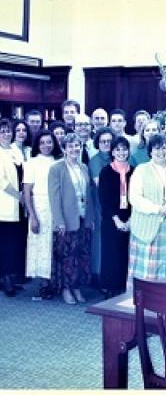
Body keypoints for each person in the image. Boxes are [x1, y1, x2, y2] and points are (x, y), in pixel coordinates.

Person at [126, 134, 166, 287]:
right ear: (150, 151)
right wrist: (159, 209)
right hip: (147, 229)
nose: (161, 152)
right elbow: (135, 198)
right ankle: (140, 305)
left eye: (164, 148)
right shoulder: (141, 170)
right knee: (146, 274)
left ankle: (164, 306)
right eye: (156, 148)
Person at [48, 133, 94, 304]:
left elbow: (88, 194)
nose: (75, 149)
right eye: (70, 146)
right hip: (66, 221)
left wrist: (90, 218)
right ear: (63, 149)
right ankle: (67, 289)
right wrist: (59, 221)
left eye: (77, 146)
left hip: (83, 218)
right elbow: (54, 197)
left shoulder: (83, 167)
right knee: (67, 257)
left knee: (82, 255)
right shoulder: (56, 169)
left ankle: (77, 288)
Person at [23, 130, 62, 298]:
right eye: (42, 142)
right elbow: (26, 191)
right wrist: (32, 216)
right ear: (37, 145)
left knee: (57, 245)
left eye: (49, 142)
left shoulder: (59, 161)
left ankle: (56, 282)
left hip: (57, 206)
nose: (46, 145)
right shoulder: (31, 163)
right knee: (41, 245)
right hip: (39, 206)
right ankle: (44, 284)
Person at [99, 137, 133, 297]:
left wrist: (130, 220)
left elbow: (137, 198)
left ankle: (121, 286)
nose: (121, 152)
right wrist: (117, 220)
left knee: (124, 253)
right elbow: (104, 200)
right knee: (110, 253)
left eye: (124, 149)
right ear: (112, 152)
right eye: (118, 149)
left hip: (130, 218)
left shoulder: (134, 171)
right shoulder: (106, 172)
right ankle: (109, 287)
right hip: (111, 219)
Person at [0, 118, 27, 296]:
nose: (6, 134)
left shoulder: (16, 150)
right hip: (5, 203)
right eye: (2, 131)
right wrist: (19, 195)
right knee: (5, 243)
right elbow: (1, 182)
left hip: (19, 205)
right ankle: (5, 279)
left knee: (15, 242)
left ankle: (9, 276)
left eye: (8, 130)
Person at [88, 127, 115, 285]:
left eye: (109, 141)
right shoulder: (95, 161)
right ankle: (98, 276)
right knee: (100, 240)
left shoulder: (117, 157)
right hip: (100, 205)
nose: (106, 144)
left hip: (117, 206)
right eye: (103, 141)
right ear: (98, 143)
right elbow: (101, 185)